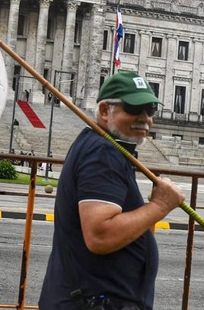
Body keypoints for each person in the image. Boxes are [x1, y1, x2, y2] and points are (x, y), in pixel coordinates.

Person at [39, 71, 185, 310]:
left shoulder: (104, 147)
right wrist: (160, 206)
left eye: (150, 110)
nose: (145, 119)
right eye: (134, 109)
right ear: (105, 111)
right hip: (95, 301)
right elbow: (100, 235)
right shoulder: (103, 152)